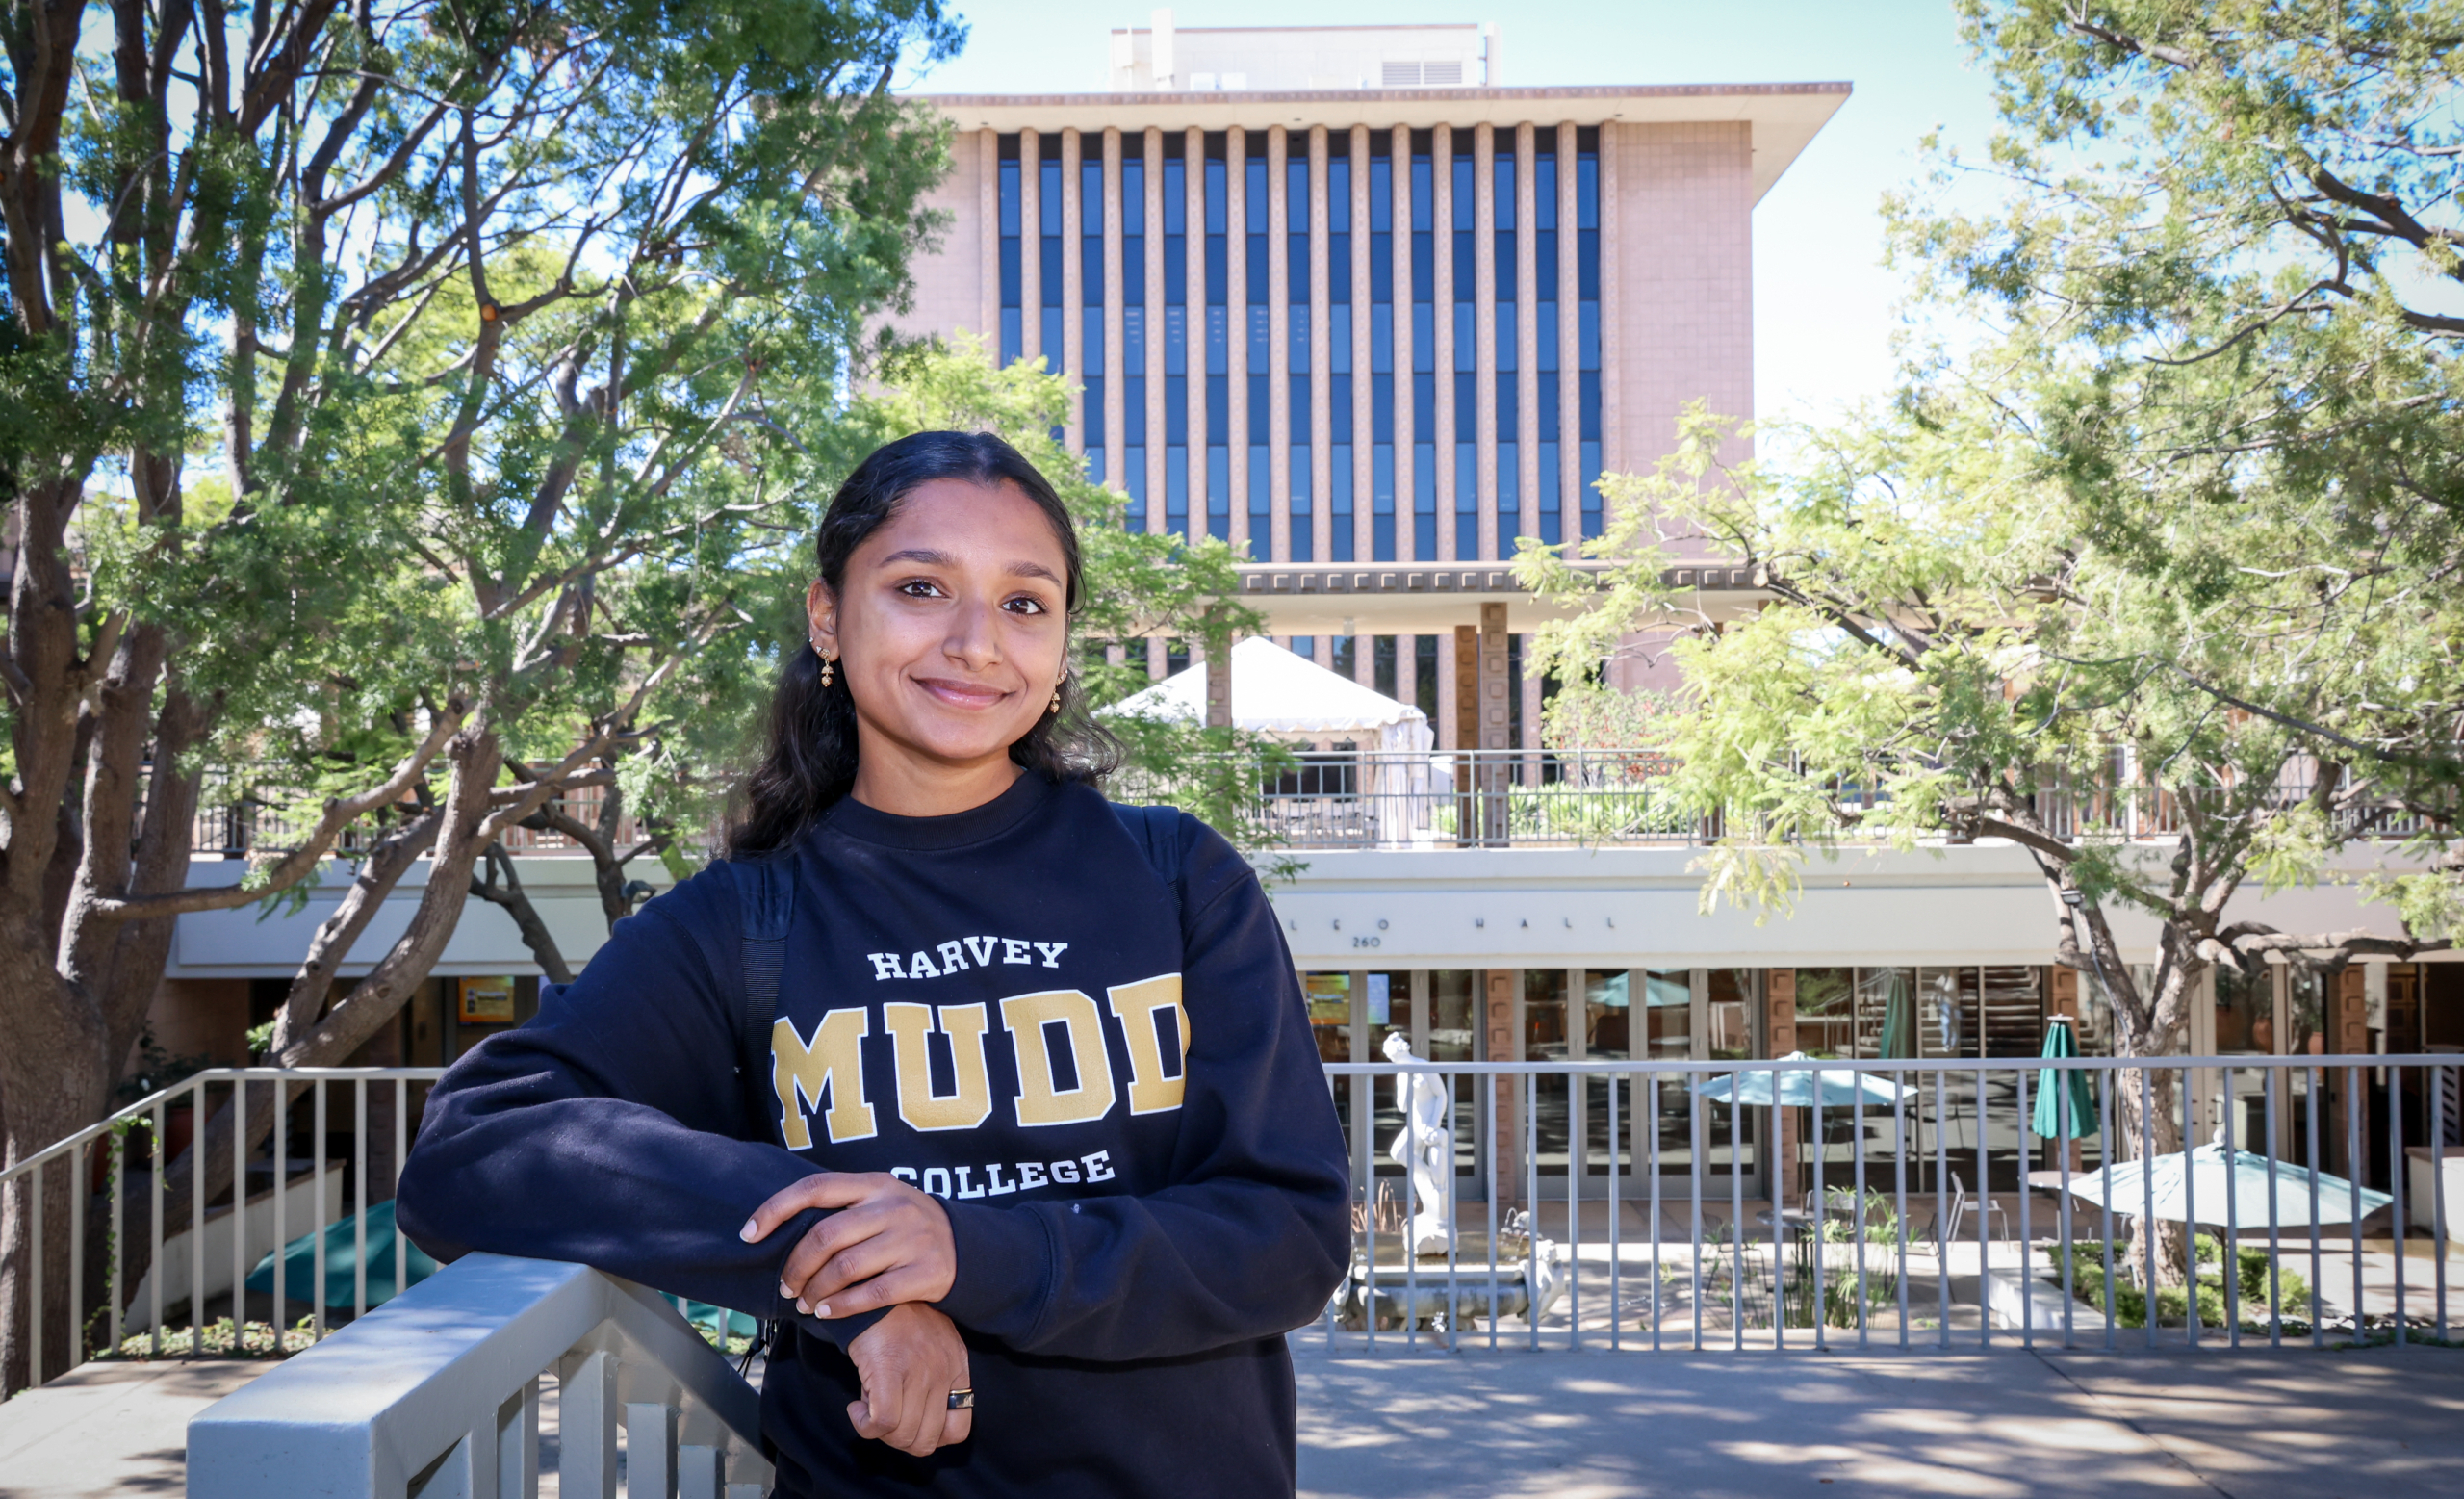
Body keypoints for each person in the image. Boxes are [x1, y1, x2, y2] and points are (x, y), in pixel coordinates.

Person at [396, 430, 1352, 1497]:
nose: (977, 642)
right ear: (827, 619)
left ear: (1065, 643)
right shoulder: (745, 921)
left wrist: (964, 1254)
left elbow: (1287, 1234)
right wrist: (856, 1271)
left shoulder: (1177, 878)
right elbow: (476, 1146)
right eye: (920, 586)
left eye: (1024, 603)